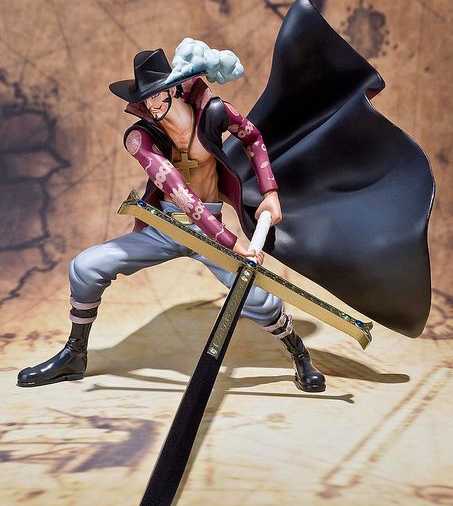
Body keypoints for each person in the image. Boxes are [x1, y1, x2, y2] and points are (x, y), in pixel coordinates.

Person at [16, 42, 327, 393]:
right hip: (165, 226)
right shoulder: (139, 137)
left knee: (256, 299)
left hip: (209, 230)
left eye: (156, 94)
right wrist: (232, 243)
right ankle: (75, 354)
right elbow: (178, 190)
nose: (151, 105)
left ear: (175, 88)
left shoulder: (214, 113)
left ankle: (299, 354)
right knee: (85, 267)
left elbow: (253, 138)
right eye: (145, 98)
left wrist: (270, 192)